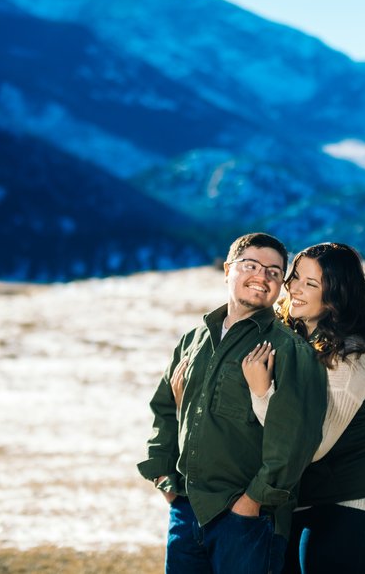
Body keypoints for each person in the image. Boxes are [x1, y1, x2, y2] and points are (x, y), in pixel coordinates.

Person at [138, 232, 328, 574]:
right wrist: (166, 480)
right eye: (251, 265)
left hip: (247, 521)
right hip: (186, 509)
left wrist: (252, 502)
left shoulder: (289, 351)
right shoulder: (194, 340)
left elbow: (296, 439)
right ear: (228, 270)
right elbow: (165, 410)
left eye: (274, 271)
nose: (262, 276)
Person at [238, 242, 365, 574]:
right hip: (307, 499)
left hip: (359, 502)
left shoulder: (351, 357)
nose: (294, 289)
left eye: (310, 284)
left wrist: (261, 392)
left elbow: (308, 447)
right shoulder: (293, 334)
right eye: (295, 277)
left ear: (334, 297)